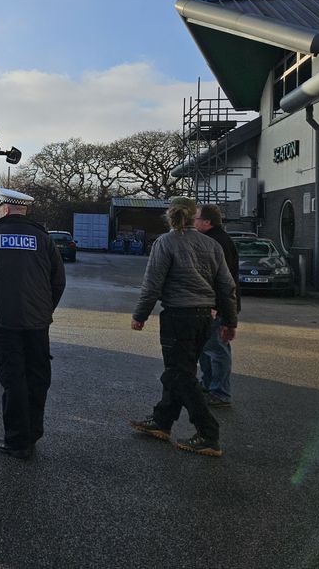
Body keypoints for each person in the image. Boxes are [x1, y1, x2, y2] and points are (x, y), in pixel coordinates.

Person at [129, 196, 237, 458]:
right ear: (193, 216)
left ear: (171, 214)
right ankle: (162, 422)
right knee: (181, 370)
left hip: (178, 316)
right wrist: (230, 321)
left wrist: (140, 314)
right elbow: (226, 286)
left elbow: (152, 284)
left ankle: (208, 433)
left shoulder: (166, 242)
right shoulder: (211, 245)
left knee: (179, 374)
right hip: (204, 318)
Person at [0, 189, 66, 460]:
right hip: (38, 322)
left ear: (6, 209)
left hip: (4, 321)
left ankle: (16, 440)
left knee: (13, 380)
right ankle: (32, 434)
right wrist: (45, 309)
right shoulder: (44, 239)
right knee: (37, 378)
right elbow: (58, 281)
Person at [194, 204, 240, 407]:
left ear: (207, 222)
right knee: (206, 347)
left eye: (196, 218)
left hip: (216, 307)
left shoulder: (216, 242)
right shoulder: (215, 239)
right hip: (213, 305)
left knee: (217, 349)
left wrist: (221, 310)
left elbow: (223, 281)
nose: (193, 222)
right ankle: (209, 385)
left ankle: (220, 392)